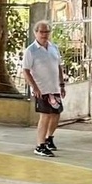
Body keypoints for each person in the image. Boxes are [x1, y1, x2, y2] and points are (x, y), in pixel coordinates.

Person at [22, 19, 66, 158]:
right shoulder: (31, 51)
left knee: (56, 114)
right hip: (42, 89)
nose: (44, 34)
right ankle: (39, 146)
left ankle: (49, 138)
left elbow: (58, 67)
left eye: (47, 32)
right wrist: (34, 87)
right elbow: (26, 71)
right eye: (41, 32)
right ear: (35, 33)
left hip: (54, 88)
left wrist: (62, 84)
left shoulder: (54, 48)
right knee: (45, 116)